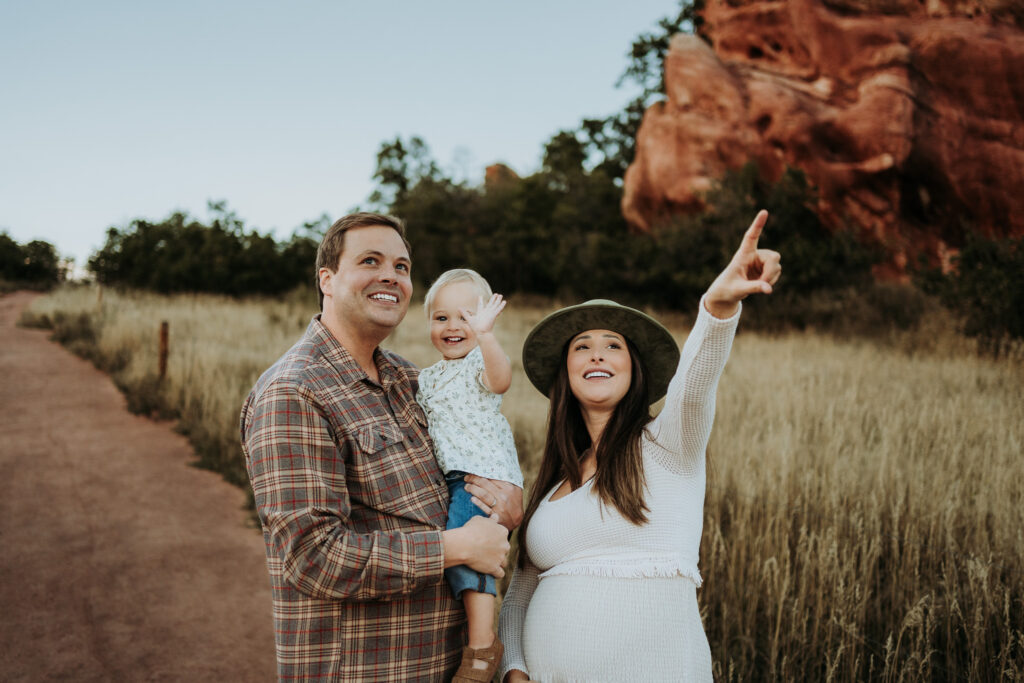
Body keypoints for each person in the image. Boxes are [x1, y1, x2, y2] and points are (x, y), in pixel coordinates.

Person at [498, 210, 782, 682]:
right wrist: (514, 670)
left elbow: (696, 383)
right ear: (566, 372)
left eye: (613, 345)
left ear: (635, 370)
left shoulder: (669, 446)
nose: (596, 353)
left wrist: (717, 307)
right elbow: (518, 598)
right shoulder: (551, 485)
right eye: (582, 346)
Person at [240, 212, 522, 681]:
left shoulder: (410, 379)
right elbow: (312, 557)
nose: (390, 275)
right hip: (367, 668)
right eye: (370, 261)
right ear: (327, 280)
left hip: (447, 665)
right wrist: (454, 547)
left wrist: (504, 504)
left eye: (401, 266)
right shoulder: (294, 392)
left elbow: (468, 465)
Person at [416, 269, 524, 682]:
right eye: (441, 318)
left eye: (466, 317)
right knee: (457, 552)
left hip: (485, 476)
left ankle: (482, 646)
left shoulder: (480, 362)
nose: (453, 326)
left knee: (467, 549)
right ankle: (471, 636)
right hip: (453, 477)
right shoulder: (429, 377)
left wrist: (487, 336)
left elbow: (501, 381)